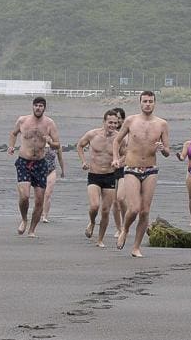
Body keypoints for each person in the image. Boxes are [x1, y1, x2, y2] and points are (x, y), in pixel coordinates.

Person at [112, 90, 170, 257]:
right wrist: (116, 158)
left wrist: (162, 149)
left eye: (150, 101)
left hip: (150, 168)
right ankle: (125, 229)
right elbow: (117, 140)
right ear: (140, 103)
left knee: (145, 211)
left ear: (155, 103)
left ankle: (136, 247)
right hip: (131, 168)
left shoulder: (162, 124)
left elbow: (167, 151)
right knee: (134, 208)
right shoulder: (131, 120)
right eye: (145, 101)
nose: (147, 104)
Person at [7, 96, 60, 238]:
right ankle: (24, 219)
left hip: (41, 164)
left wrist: (50, 141)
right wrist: (11, 146)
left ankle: (32, 229)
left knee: (39, 200)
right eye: (36, 105)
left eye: (41, 106)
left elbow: (57, 144)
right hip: (24, 162)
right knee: (24, 196)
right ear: (32, 106)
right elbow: (13, 133)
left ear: (44, 108)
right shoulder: (22, 120)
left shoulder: (49, 123)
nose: (38, 108)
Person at [77, 110, 121, 247]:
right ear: (104, 122)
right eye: (110, 122)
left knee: (106, 210)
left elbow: (127, 153)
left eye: (115, 123)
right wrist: (83, 161)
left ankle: (100, 239)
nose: (113, 125)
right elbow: (80, 145)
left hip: (110, 175)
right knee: (94, 206)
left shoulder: (120, 138)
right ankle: (92, 221)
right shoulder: (93, 134)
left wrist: (118, 161)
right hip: (94, 175)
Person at [111, 107, 127, 237]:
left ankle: (124, 225)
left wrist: (118, 161)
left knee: (121, 198)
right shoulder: (107, 133)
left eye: (119, 119)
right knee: (114, 202)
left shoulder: (126, 134)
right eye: (114, 120)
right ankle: (119, 228)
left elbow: (129, 153)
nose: (116, 122)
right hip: (109, 170)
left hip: (123, 169)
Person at [41, 141, 65, 223]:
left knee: (48, 193)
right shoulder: (40, 143)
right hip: (39, 171)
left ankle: (45, 215)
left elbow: (60, 159)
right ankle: (39, 211)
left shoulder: (57, 145)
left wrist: (62, 171)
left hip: (51, 171)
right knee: (40, 194)